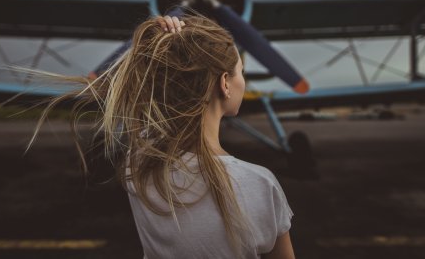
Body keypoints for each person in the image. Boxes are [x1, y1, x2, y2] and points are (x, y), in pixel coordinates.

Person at [31, 13, 295, 258]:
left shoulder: (139, 167)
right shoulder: (262, 185)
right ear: (225, 83)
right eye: (241, 73)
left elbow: (140, 93)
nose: (243, 81)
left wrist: (156, 38)